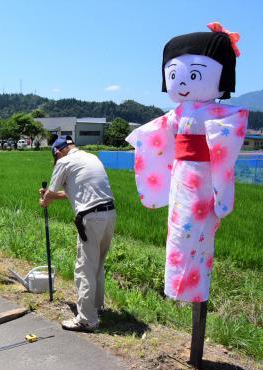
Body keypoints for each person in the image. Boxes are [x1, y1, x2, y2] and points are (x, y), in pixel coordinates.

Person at [126, 22, 248, 302]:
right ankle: (175, 286)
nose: (182, 83)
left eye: (194, 75)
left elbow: (232, 129)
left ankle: (195, 289)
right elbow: (159, 130)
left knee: (200, 232)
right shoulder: (179, 113)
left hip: (204, 176)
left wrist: (214, 134)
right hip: (182, 177)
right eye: (175, 75)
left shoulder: (221, 113)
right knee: (179, 233)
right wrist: (142, 136)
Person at [39, 136, 116, 332]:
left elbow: (50, 193)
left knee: (84, 268)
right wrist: (52, 196)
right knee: (97, 263)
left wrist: (45, 199)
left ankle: (86, 319)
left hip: (91, 217)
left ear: (58, 152)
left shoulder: (64, 162)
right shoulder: (91, 157)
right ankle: (96, 307)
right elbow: (70, 192)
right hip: (109, 214)